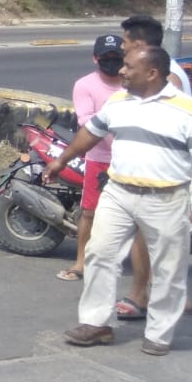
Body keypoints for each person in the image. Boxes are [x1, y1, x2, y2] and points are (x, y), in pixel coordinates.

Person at [47, 45, 192, 356]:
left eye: (129, 66)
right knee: (99, 253)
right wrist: (62, 160)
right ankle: (96, 324)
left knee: (168, 268)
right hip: (118, 192)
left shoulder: (190, 111)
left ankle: (159, 334)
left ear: (152, 73)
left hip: (166, 197)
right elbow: (90, 132)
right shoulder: (118, 101)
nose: (122, 71)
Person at [107, 14, 192, 322]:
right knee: (157, 242)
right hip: (162, 175)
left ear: (140, 45)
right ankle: (168, 296)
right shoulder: (165, 72)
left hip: (164, 178)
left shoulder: (163, 81)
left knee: (152, 241)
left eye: (125, 41)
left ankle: (141, 296)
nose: (121, 47)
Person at [58, 35, 126, 281]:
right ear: (95, 58)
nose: (111, 61)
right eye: (106, 57)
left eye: (116, 56)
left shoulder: (132, 83)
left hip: (130, 159)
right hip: (99, 157)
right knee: (89, 212)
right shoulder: (85, 84)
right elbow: (86, 122)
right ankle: (80, 262)